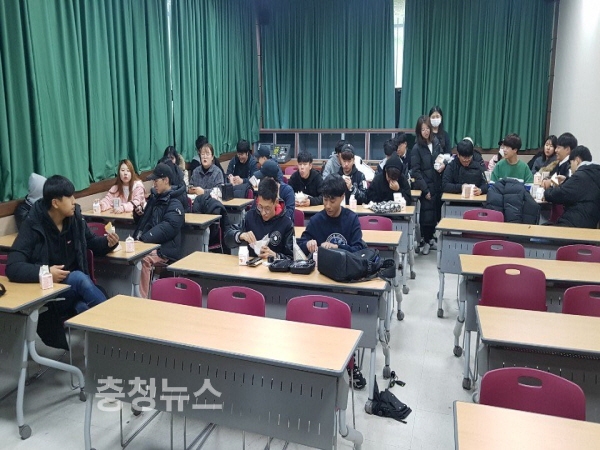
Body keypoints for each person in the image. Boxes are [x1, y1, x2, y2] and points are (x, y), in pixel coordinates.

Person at [7, 175, 119, 349]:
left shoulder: (75, 218)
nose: (74, 201)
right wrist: (46, 272)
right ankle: (117, 328)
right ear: (55, 203)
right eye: (70, 197)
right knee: (78, 279)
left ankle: (105, 347)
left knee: (82, 304)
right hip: (49, 296)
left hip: (74, 291)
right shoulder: (33, 224)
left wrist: (108, 243)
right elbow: (13, 266)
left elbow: (91, 243)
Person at [133, 163, 185, 298]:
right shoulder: (155, 199)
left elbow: (167, 227)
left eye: (156, 181)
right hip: (149, 243)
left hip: (166, 248)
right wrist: (138, 215)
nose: (154, 184)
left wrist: (144, 240)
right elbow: (145, 222)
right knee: (132, 256)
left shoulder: (175, 202)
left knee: (143, 260)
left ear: (166, 180)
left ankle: (142, 298)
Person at [224, 177, 293, 259]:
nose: (263, 212)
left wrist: (275, 256)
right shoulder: (250, 216)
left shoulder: (286, 223)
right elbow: (227, 238)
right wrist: (240, 235)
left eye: (267, 208)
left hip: (275, 266)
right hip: (251, 264)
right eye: (260, 207)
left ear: (276, 202)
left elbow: (291, 258)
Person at [297, 174, 366, 255]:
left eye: (332, 201)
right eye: (325, 200)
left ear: (342, 197)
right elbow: (300, 245)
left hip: (346, 263)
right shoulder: (316, 220)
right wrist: (307, 244)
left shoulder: (352, 219)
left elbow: (359, 249)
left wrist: (337, 247)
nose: (328, 206)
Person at [411, 115, 448, 255]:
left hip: (437, 184)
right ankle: (426, 241)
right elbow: (416, 171)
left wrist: (443, 165)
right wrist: (425, 189)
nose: (426, 131)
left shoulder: (436, 142)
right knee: (426, 216)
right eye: (423, 129)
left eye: (427, 128)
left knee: (435, 214)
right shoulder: (417, 148)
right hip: (425, 186)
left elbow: (442, 158)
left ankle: (431, 239)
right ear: (419, 131)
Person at [543, 146, 600, 228]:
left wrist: (548, 189)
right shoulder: (594, 174)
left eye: (571, 163)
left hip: (574, 223)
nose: (571, 168)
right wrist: (567, 180)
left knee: (541, 229)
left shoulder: (580, 176)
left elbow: (557, 195)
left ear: (577, 160)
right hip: (590, 223)